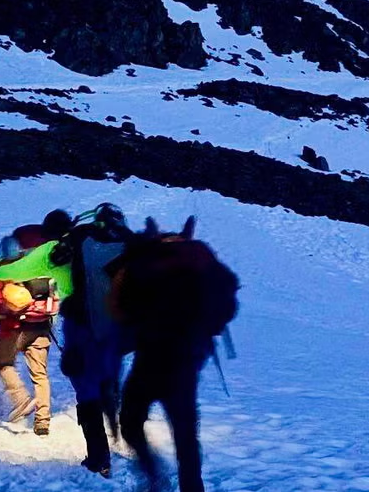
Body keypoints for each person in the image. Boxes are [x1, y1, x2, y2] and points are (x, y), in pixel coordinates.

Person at [110, 217, 239, 492]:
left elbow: (121, 310)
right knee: (185, 434)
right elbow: (228, 304)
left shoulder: (146, 261)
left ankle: (153, 476)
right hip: (188, 358)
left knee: (131, 421)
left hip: (150, 357)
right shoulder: (201, 260)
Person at [0, 210, 74, 436]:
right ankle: (43, 421)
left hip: (13, 328)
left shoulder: (12, 267)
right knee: (40, 375)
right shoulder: (49, 264)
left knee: (4, 365)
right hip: (42, 325)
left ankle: (21, 400)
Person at [58, 203, 133, 479]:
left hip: (81, 327)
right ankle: (118, 426)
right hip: (115, 330)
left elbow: (48, 260)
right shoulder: (131, 244)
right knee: (107, 379)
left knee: (86, 391)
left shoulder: (79, 239)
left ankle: (99, 457)